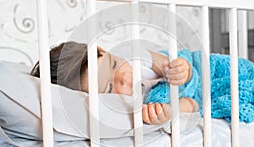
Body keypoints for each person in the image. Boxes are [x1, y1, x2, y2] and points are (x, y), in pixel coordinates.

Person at [30, 41, 199, 126]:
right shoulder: (133, 105)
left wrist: (182, 69)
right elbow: (193, 105)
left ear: (102, 49)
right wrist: (167, 112)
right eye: (110, 87)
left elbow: (175, 63)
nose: (124, 78)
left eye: (114, 65)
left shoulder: (140, 59)